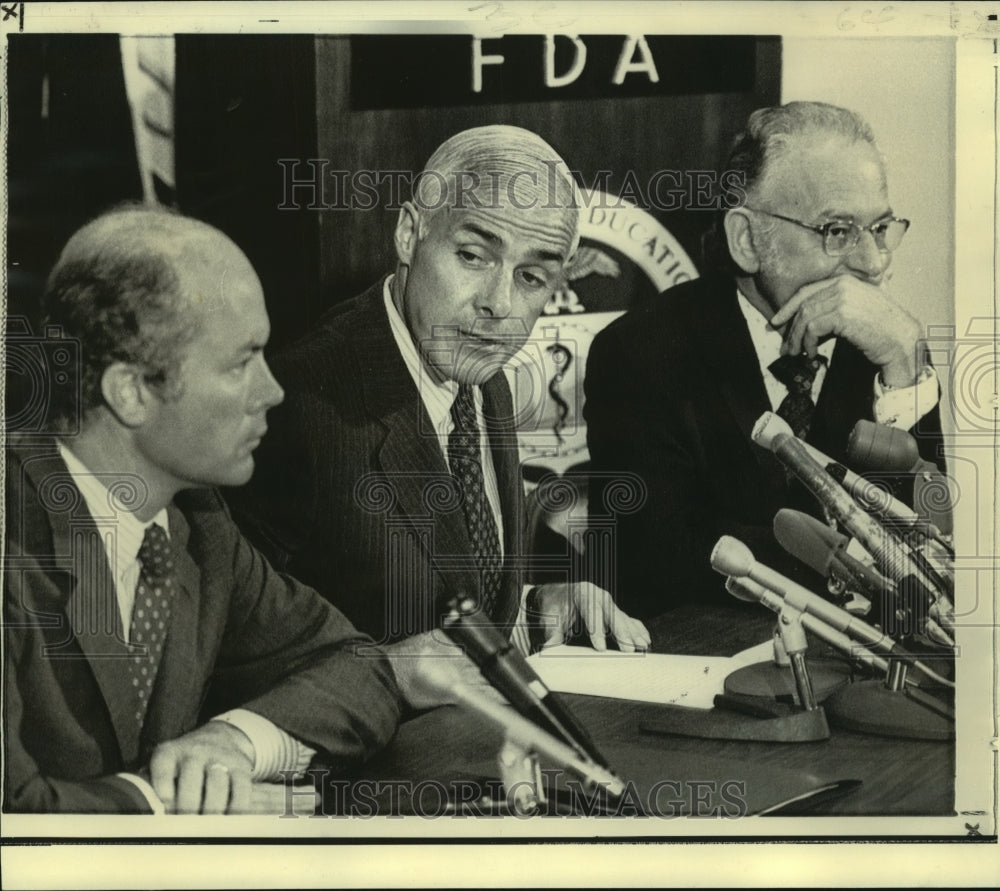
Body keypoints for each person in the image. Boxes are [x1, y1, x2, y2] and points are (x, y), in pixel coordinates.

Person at [4, 206, 403, 814]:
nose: (273, 391)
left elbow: (356, 664)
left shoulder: (199, 526)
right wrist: (176, 801)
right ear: (131, 392)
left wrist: (233, 744)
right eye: (242, 363)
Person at [228, 125, 650, 656]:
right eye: (473, 256)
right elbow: (239, 654)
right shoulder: (299, 406)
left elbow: (450, 604)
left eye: (531, 278)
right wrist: (393, 674)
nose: (499, 303)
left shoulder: (478, 367)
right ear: (410, 233)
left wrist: (540, 606)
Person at [584, 101, 944, 618]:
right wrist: (863, 567)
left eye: (881, 228)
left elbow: (935, 548)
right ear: (748, 240)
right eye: (837, 231)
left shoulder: (887, 341)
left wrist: (902, 365)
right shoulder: (642, 351)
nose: (873, 263)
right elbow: (659, 557)